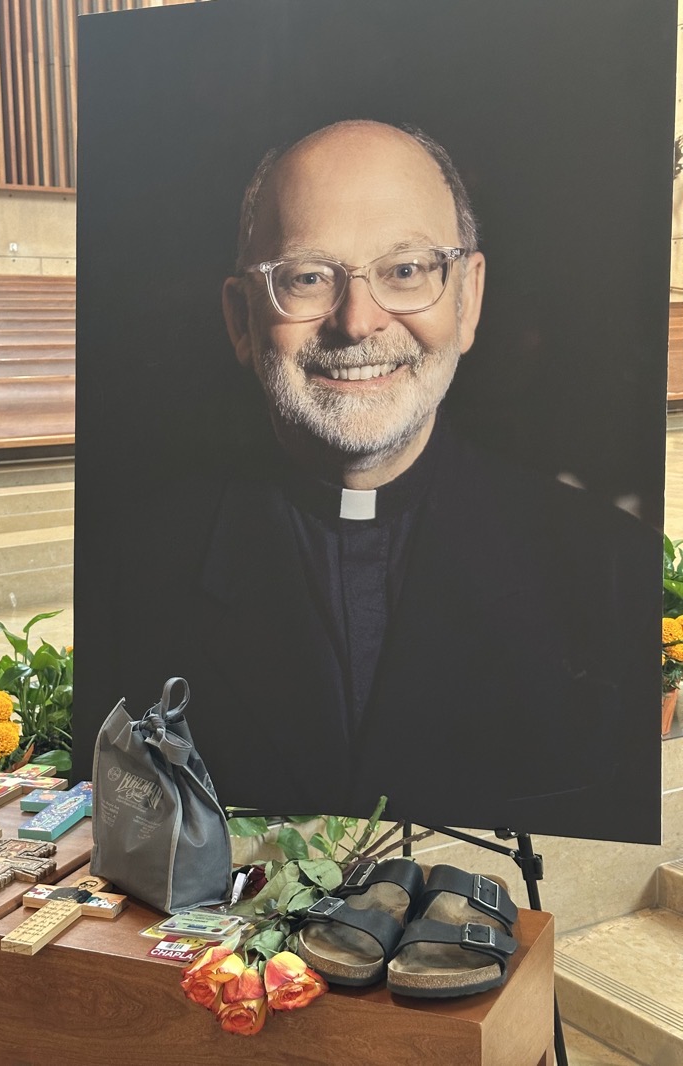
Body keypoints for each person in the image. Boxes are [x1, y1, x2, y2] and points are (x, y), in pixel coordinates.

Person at [137, 120, 659, 841]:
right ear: (240, 320)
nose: (358, 321)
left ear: (467, 300)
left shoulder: (607, 568)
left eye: (406, 271)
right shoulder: (133, 568)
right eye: (309, 276)